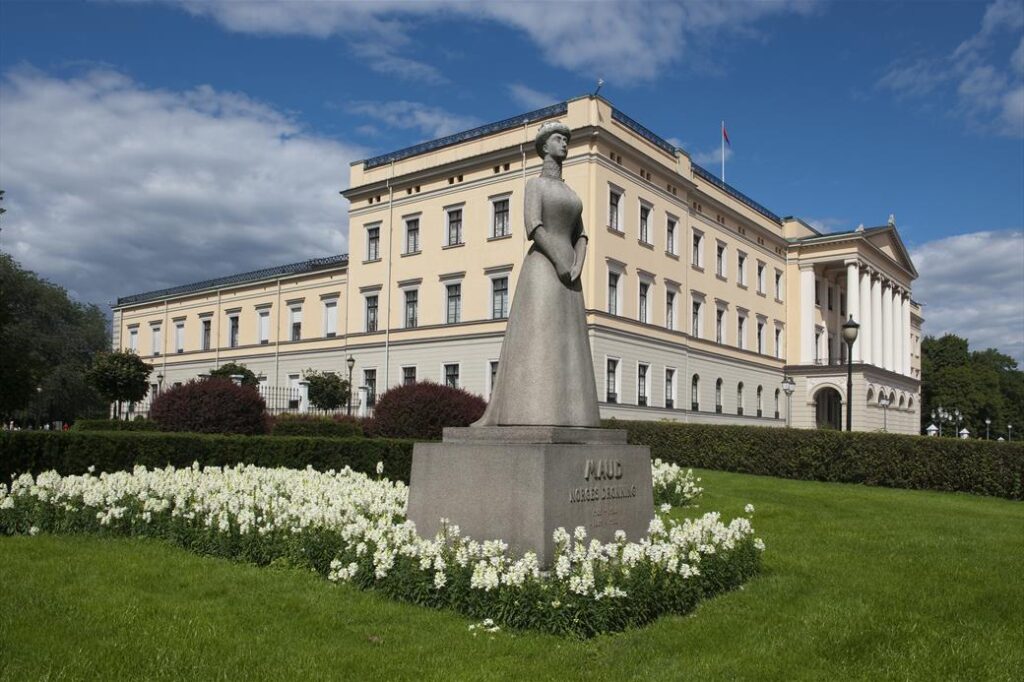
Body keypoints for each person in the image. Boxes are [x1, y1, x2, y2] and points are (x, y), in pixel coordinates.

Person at [473, 120, 601, 427]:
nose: (564, 144)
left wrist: (578, 262)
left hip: (570, 271)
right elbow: (534, 226)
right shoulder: (535, 185)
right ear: (545, 146)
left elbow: (581, 235)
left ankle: (572, 415)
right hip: (544, 266)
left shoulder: (570, 192)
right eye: (559, 139)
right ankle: (527, 411)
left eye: (566, 139)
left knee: (569, 342)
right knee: (539, 335)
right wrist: (559, 260)